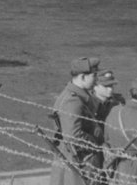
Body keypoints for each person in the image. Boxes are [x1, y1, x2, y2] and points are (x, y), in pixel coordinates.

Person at [49, 56, 103, 185]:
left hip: (73, 160)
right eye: (94, 76)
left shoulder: (76, 96)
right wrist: (96, 143)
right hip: (78, 163)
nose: (96, 80)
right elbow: (73, 136)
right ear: (83, 77)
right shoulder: (73, 101)